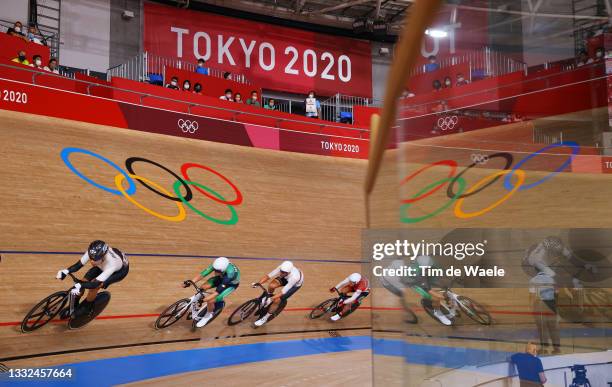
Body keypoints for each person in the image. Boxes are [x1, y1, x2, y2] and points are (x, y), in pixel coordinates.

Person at [56, 240, 129, 318]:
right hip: (103, 264)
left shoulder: (112, 264)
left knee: (94, 287)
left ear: (103, 256)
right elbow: (78, 265)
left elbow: (95, 284)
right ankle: (75, 305)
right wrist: (66, 271)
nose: (92, 261)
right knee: (83, 281)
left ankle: (87, 307)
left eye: (95, 259)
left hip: (118, 272)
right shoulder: (93, 252)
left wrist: (80, 285)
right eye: (91, 258)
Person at [186, 257, 240, 327]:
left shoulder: (230, 274)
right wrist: (190, 282)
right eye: (215, 270)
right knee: (202, 287)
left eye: (218, 271)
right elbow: (202, 274)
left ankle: (208, 315)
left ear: (223, 270)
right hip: (221, 278)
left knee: (211, 300)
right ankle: (195, 301)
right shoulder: (217, 265)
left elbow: (217, 292)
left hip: (230, 284)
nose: (215, 272)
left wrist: (204, 300)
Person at [252, 260, 304, 327]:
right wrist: (258, 283)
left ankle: (265, 318)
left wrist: (271, 299)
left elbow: (283, 292)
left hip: (295, 284)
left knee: (277, 300)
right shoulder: (281, 269)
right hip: (286, 277)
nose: (281, 273)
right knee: (271, 286)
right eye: (281, 271)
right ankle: (268, 298)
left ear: (288, 272)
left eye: (283, 272)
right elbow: (268, 276)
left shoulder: (294, 277)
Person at [409, 255, 453, 325]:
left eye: (429, 267)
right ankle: (438, 313)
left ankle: (447, 308)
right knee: (436, 298)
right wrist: (444, 298)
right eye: (426, 268)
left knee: (444, 289)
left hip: (425, 277)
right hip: (416, 284)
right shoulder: (416, 273)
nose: (428, 268)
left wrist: (445, 283)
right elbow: (428, 289)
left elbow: (440, 275)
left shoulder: (431, 263)